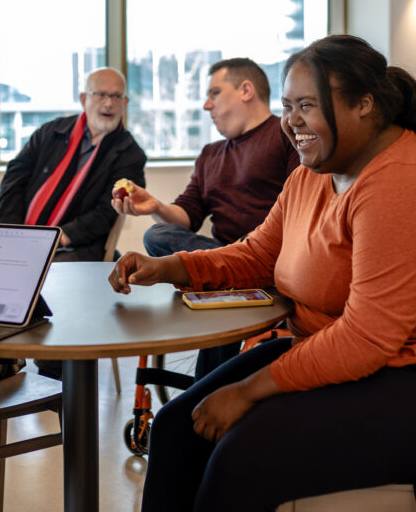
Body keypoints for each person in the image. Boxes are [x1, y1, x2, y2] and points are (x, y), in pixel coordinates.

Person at [108, 35, 416, 511]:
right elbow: (258, 256)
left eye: (307, 106)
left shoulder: (406, 185)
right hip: (340, 355)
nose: (291, 122)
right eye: (287, 106)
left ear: (366, 104)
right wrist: (171, 266)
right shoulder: (312, 173)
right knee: (178, 424)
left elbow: (368, 338)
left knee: (241, 456)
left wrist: (248, 392)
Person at [112, 57, 297, 378]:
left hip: (268, 259)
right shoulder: (211, 154)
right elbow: (186, 215)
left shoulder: (285, 136)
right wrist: (154, 205)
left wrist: (247, 249)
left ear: (246, 90)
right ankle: (222, 284)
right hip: (224, 258)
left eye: (214, 93)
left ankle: (205, 388)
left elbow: (300, 210)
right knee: (158, 235)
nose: (205, 104)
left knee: (217, 283)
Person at [0, 67, 147, 262]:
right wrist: (12, 232)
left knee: (43, 273)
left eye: (117, 96)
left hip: (76, 245)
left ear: (125, 103)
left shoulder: (130, 154)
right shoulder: (51, 132)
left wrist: (55, 240)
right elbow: (14, 180)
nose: (109, 103)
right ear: (84, 99)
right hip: (22, 232)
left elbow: (106, 212)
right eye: (101, 94)